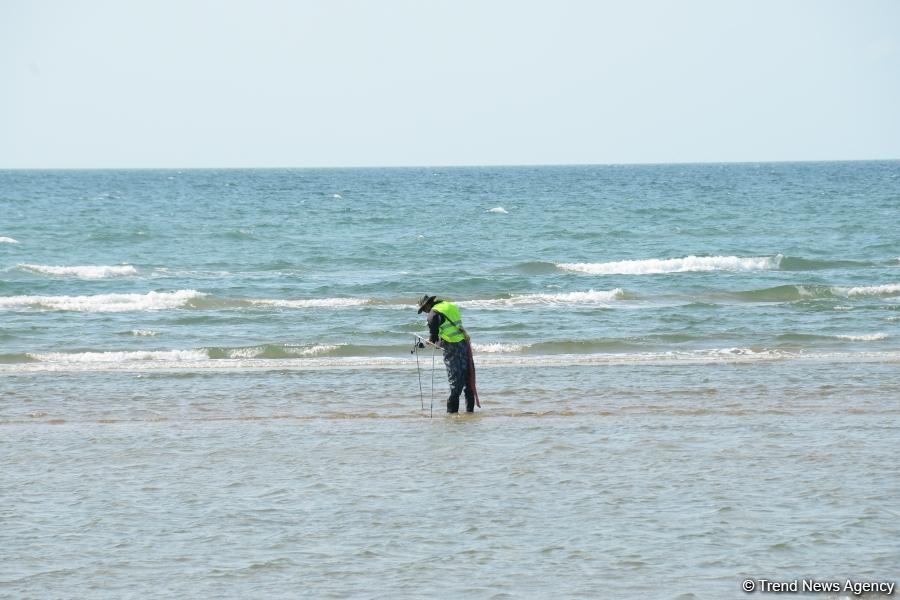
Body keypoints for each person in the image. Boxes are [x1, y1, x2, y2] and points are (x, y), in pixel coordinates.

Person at [417, 294, 476, 413]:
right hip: (463, 343)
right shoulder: (449, 305)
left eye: (424, 309)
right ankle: (470, 412)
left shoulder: (432, 315)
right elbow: (450, 327)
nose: (424, 312)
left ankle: (452, 414)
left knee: (455, 382)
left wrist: (430, 342)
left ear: (428, 304)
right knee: (468, 379)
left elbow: (433, 338)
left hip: (451, 347)